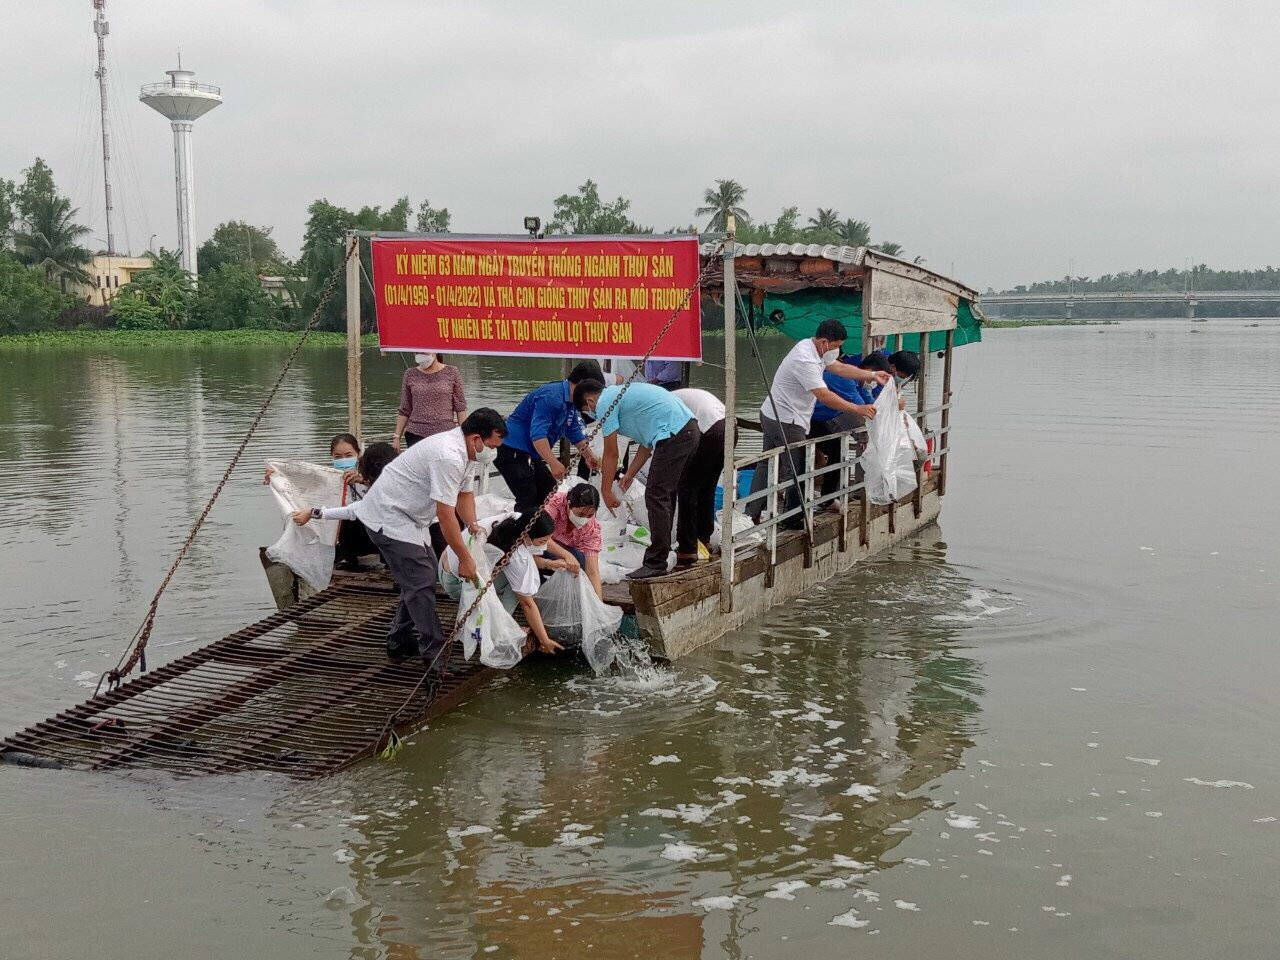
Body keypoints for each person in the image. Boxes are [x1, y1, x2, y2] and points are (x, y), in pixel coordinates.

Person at [293, 408, 507, 674]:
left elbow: (464, 496)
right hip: (390, 520)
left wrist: (473, 525)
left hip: (410, 519)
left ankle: (398, 639)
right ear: (476, 438)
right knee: (421, 583)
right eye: (492, 445)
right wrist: (464, 557)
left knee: (420, 578)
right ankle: (434, 654)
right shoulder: (448, 455)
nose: (494, 451)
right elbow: (445, 513)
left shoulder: (467, 453)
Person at [744, 319, 888, 528]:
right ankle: (791, 519)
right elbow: (823, 395)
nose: (838, 350)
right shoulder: (805, 360)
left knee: (767, 463)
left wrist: (872, 374)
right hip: (786, 419)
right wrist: (857, 409)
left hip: (774, 412)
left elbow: (839, 368)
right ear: (824, 343)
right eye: (837, 346)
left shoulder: (814, 350)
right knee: (798, 468)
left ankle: (751, 514)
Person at [579, 381, 700, 580]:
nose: (593, 415)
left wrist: (606, 491)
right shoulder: (626, 398)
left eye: (588, 411)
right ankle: (686, 549)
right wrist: (629, 475)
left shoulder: (604, 402)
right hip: (687, 430)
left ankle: (656, 562)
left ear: (590, 401)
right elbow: (646, 446)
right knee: (668, 492)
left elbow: (611, 453)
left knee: (656, 494)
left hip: (676, 433)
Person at [438, 511, 565, 656]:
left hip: (444, 568)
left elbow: (519, 560)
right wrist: (545, 640)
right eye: (542, 542)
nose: (545, 546)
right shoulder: (516, 555)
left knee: (522, 578)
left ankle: (501, 623)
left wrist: (551, 563)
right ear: (526, 536)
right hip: (457, 585)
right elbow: (527, 604)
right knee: (520, 584)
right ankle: (500, 629)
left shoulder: (516, 520)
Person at [496, 375, 602, 514]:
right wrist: (553, 463)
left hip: (533, 452)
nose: (590, 409)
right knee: (527, 496)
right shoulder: (551, 397)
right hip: (513, 449)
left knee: (549, 492)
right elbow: (538, 435)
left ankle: (545, 531)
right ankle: (522, 533)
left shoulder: (570, 404)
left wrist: (589, 456)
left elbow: (573, 430)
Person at [671, 387, 728, 563]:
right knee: (707, 487)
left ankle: (688, 548)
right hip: (728, 426)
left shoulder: (663, 405)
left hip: (711, 429)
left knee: (687, 487)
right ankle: (704, 538)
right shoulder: (675, 397)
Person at [334, 441, 397, 569]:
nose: (343, 460)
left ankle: (388, 561)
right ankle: (348, 558)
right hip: (350, 534)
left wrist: (365, 481)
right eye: (338, 457)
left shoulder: (368, 476)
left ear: (358, 454)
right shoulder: (329, 480)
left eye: (348, 455)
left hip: (378, 533)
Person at [393, 352, 466, 450]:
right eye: (417, 352)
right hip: (415, 434)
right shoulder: (410, 374)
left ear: (434, 352)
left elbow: (460, 407)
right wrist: (397, 437)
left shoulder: (452, 372)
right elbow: (405, 409)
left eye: (423, 352)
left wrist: (466, 436)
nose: (420, 355)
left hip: (445, 434)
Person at [544, 482, 605, 598]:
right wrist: (567, 555)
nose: (584, 519)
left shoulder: (592, 528)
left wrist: (599, 603)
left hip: (570, 550)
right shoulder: (554, 503)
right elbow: (540, 538)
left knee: (581, 567)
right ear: (569, 504)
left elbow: (592, 571)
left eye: (590, 515)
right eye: (581, 514)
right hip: (544, 545)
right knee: (564, 561)